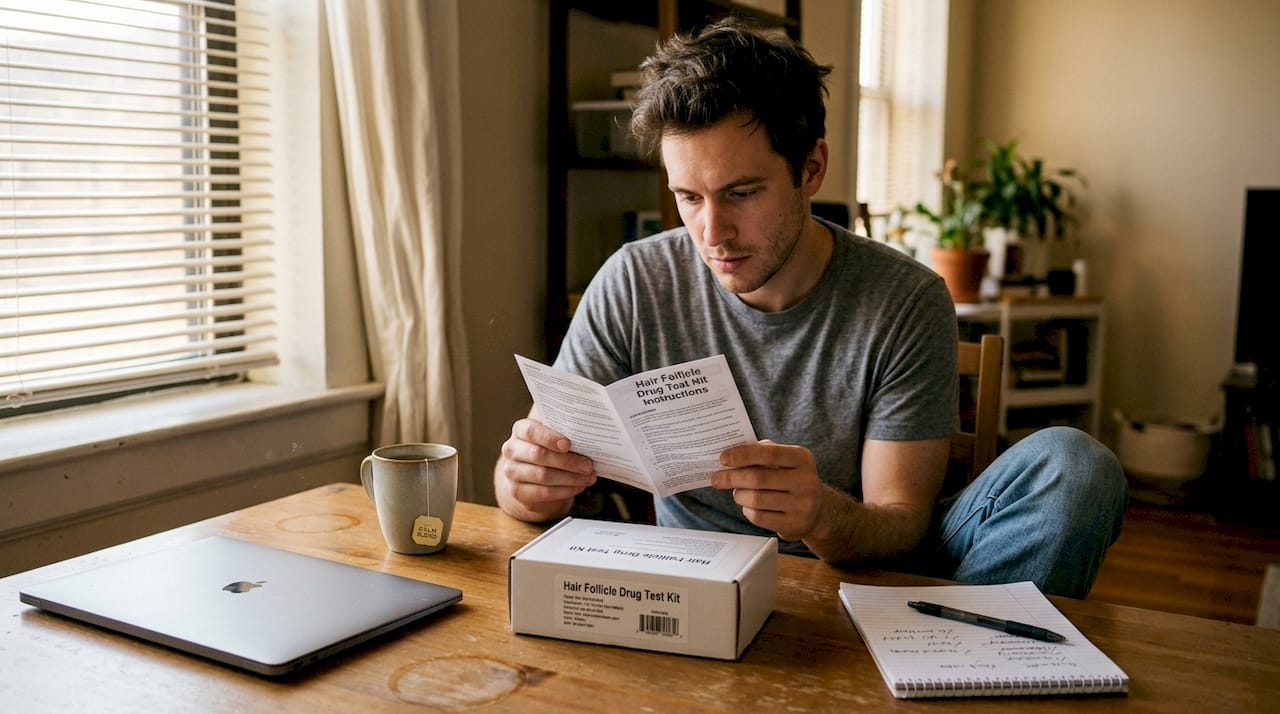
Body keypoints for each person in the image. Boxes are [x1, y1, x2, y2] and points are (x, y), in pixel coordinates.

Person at [495, 17, 1126, 599]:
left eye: (741, 193)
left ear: (812, 168)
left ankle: (968, 655)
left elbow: (902, 524)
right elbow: (525, 487)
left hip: (864, 577)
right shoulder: (635, 281)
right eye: (688, 197)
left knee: (1075, 467)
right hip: (696, 588)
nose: (712, 232)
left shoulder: (904, 299)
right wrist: (525, 482)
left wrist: (820, 513)